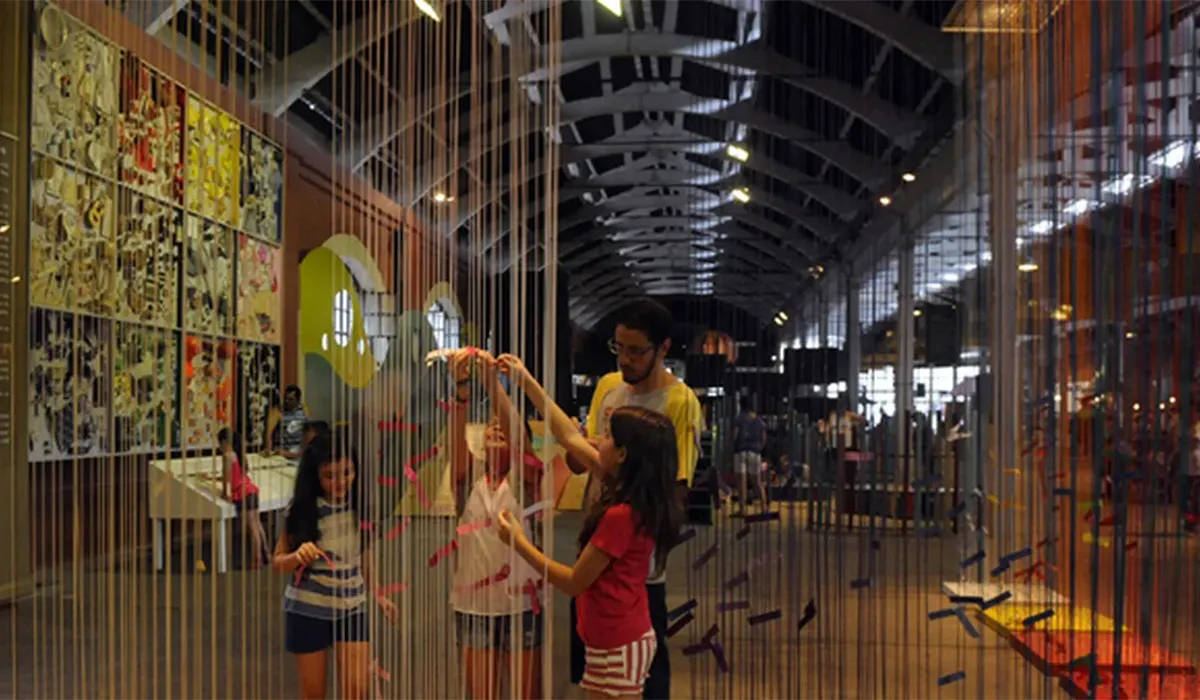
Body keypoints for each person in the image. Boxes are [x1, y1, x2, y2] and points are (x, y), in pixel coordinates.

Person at [508, 298, 702, 700]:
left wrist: (517, 541)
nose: (624, 360)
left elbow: (672, 487)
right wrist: (525, 380)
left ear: (662, 348)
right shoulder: (609, 390)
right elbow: (575, 442)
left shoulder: (680, 405)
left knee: (639, 678)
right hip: (601, 547)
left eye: (636, 351)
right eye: (619, 348)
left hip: (630, 569)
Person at [446, 349, 543, 699]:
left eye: (503, 426)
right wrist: (461, 388)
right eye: (491, 424)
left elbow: (523, 443)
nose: (496, 426)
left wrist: (491, 380)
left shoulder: (524, 481)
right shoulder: (469, 478)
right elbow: (455, 444)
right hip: (474, 607)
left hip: (521, 607)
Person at [272, 432, 397, 700]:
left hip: (352, 606)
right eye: (330, 476)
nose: (341, 482)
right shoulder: (302, 510)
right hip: (307, 608)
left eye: (347, 473)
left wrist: (379, 594)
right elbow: (278, 562)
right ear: (315, 476)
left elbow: (366, 556)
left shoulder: (361, 508)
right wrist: (297, 557)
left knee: (356, 689)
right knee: (314, 693)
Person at [218, 427, 267, 567]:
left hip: (242, 494)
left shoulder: (227, 456)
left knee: (252, 528)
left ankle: (257, 559)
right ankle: (267, 553)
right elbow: (238, 474)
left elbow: (227, 478)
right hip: (251, 490)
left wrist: (224, 494)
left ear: (224, 442)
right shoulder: (240, 454)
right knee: (257, 525)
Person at [731, 396, 768, 517]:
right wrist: (759, 448)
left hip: (741, 451)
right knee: (757, 482)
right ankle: (764, 507)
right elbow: (763, 437)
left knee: (741, 482)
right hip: (755, 452)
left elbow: (735, 435)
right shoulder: (758, 420)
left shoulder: (738, 418)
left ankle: (742, 509)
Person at [275, 385, 309, 462]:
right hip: (286, 449)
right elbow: (269, 433)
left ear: (298, 400)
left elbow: (309, 429)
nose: (287, 401)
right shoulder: (279, 412)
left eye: (290, 399)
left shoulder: (304, 410)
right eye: (285, 398)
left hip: (301, 448)